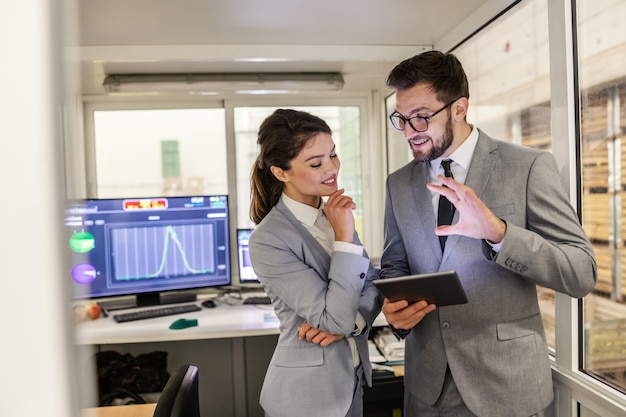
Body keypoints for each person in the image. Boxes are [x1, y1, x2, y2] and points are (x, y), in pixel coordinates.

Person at [380, 50, 597, 417]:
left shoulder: (527, 167)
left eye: (420, 118)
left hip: (505, 388)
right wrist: (397, 308)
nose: (409, 131)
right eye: (400, 119)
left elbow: (581, 272)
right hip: (425, 390)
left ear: (459, 108)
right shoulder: (398, 183)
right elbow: (395, 263)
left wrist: (499, 233)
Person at [248, 108, 383, 417]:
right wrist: (345, 237)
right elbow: (331, 318)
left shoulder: (332, 215)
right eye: (316, 163)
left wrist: (354, 323)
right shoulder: (268, 239)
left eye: (333, 155)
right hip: (306, 398)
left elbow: (373, 285)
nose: (331, 168)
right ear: (281, 173)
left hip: (351, 382)